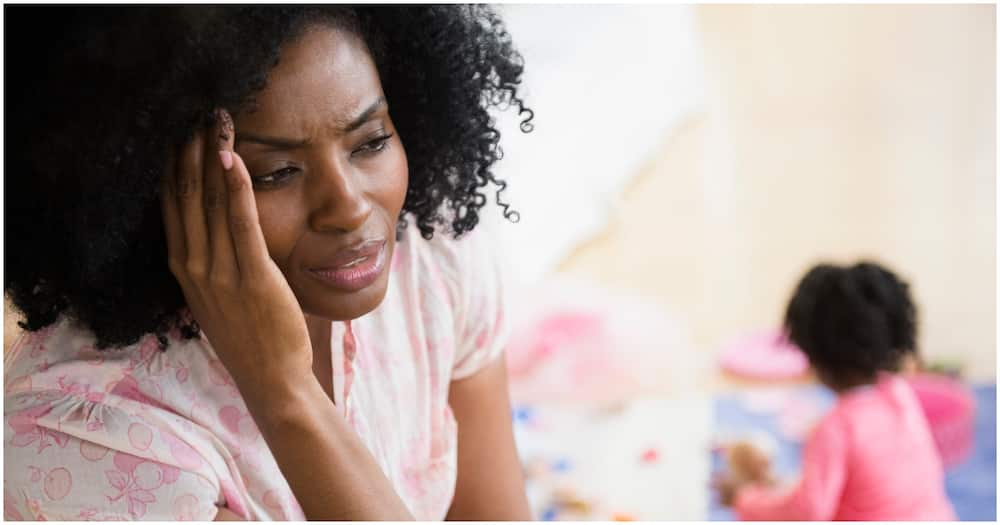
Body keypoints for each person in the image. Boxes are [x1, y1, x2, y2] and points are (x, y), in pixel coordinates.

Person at [4, 6, 534, 521]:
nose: (349, 207)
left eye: (371, 142)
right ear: (145, 188)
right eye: (275, 173)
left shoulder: (431, 248)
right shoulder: (87, 444)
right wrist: (285, 394)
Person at [715, 262, 955, 520]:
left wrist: (743, 499)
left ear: (811, 354)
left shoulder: (836, 429)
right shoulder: (899, 394)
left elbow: (806, 513)